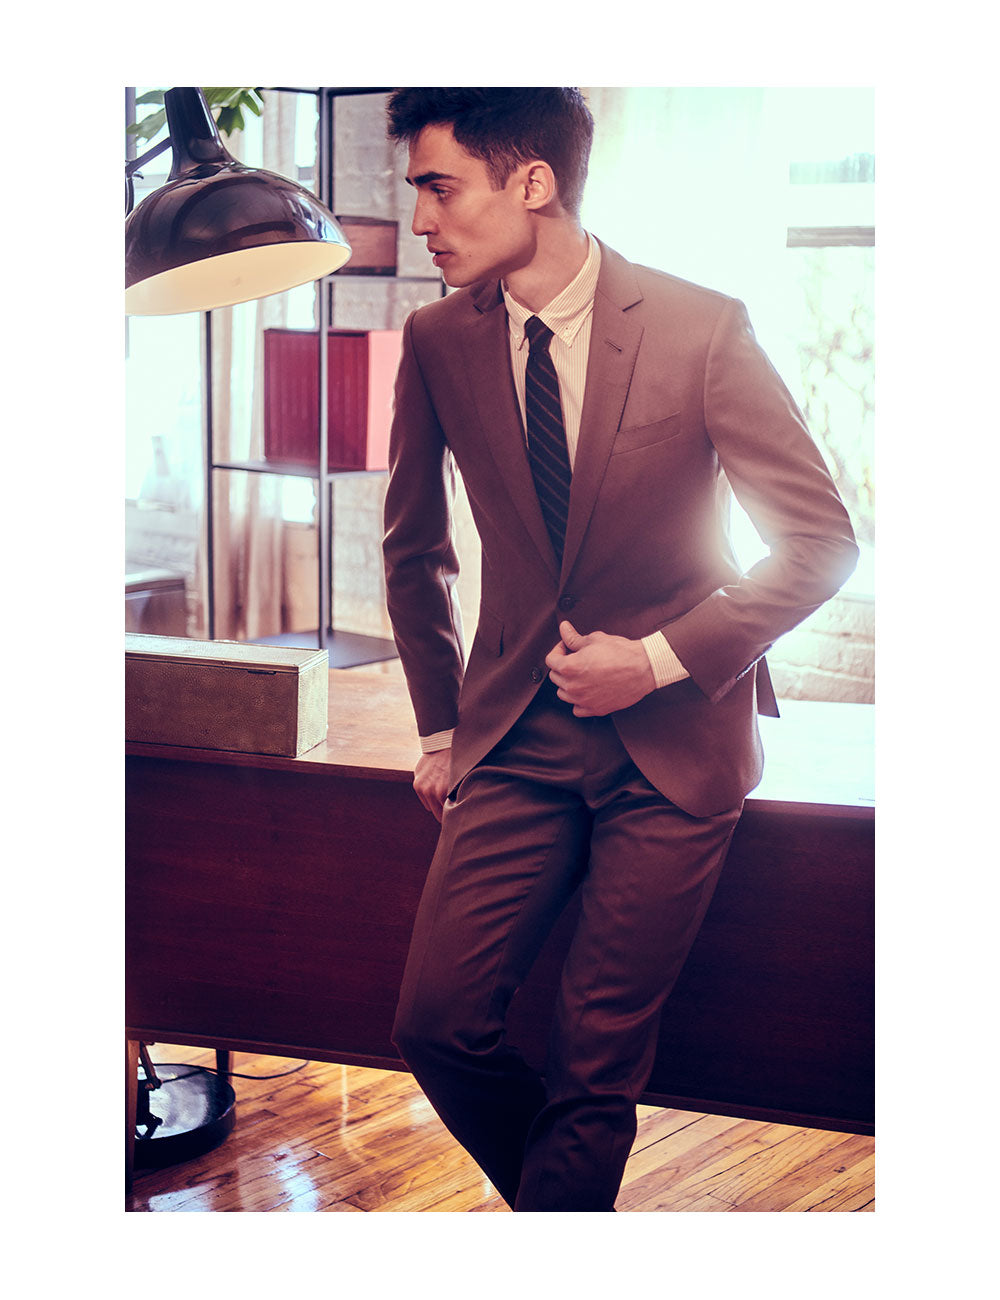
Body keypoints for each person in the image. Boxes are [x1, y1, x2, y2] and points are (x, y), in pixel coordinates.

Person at [381, 87, 858, 1213]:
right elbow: (413, 551)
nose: (420, 221)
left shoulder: (701, 326)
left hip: (675, 747)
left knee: (595, 1064)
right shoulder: (438, 338)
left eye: (440, 186)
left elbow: (818, 544)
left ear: (531, 184)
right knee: (434, 1024)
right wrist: (442, 726)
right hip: (510, 739)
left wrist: (651, 661)